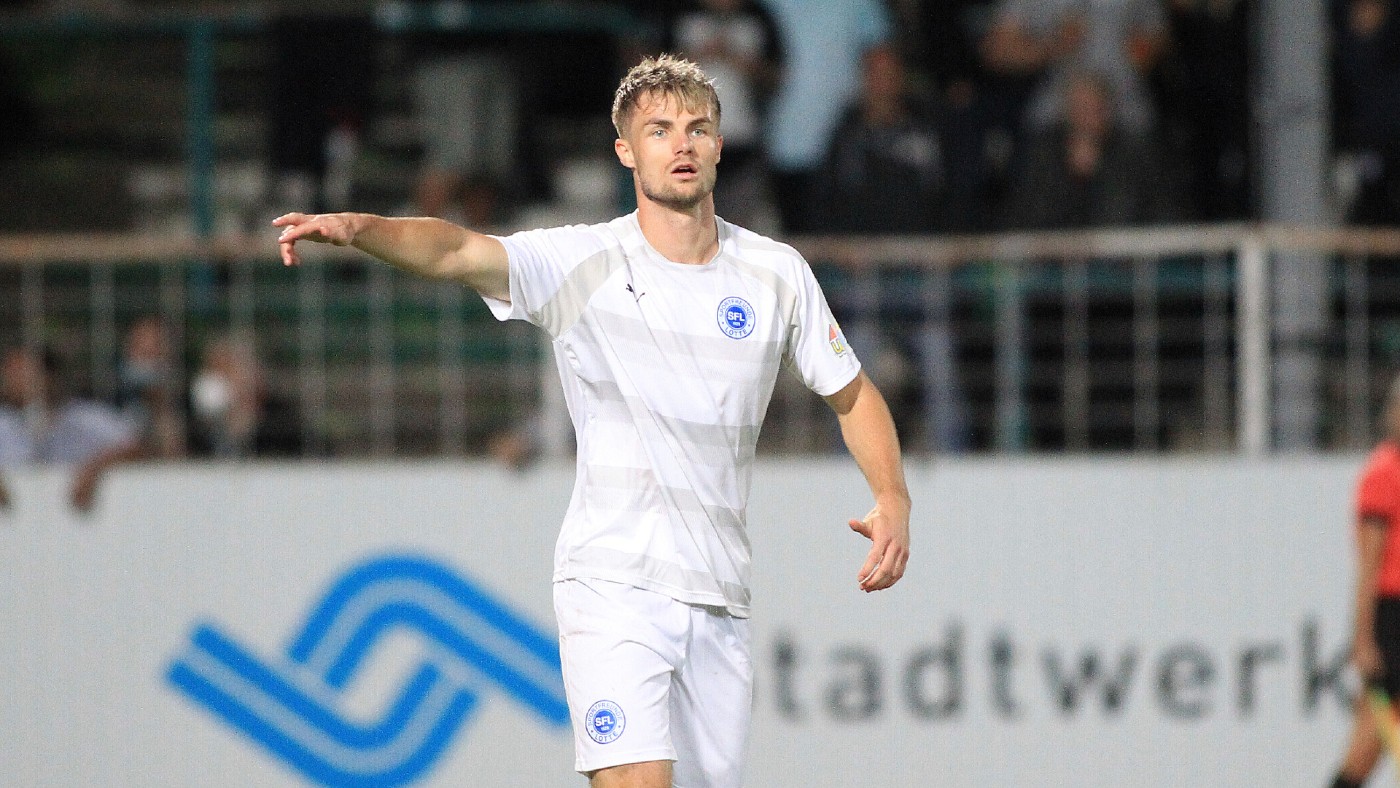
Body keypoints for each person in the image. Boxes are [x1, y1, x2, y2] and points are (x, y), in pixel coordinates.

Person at [274, 54, 911, 788]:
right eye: (659, 130)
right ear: (625, 151)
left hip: (720, 595)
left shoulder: (777, 272)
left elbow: (853, 394)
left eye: (697, 128)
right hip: (612, 583)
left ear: (718, 144)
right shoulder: (582, 260)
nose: (681, 144)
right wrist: (360, 227)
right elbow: (455, 250)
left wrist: (892, 496)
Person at [1326, 374, 1400, 788]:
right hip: (1392, 619)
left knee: (1367, 746)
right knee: (1366, 747)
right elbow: (1368, 566)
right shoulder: (1383, 473)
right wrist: (1363, 638)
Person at [0, 346, 141, 511]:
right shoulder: (7, 423)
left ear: (48, 377)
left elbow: (135, 448)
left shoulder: (86, 417)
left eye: (21, 373)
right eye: (9, 374)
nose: (13, 381)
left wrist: (94, 470)